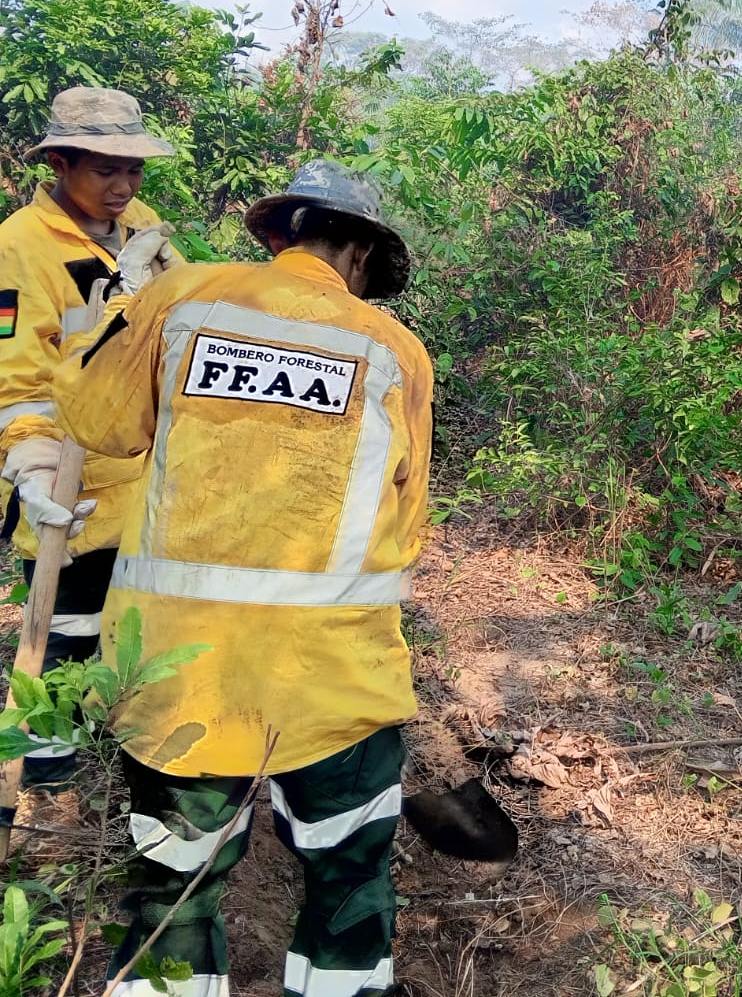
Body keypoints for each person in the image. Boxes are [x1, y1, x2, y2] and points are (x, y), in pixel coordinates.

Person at [53, 160, 432, 997]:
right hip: (336, 685)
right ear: (363, 256)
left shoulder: (185, 300)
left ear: (275, 235)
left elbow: (96, 423)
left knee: (171, 897)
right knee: (348, 888)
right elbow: (405, 533)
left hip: (182, 677)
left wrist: (116, 313)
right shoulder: (397, 350)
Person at [0, 87, 181, 808]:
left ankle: (116, 766)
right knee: (62, 632)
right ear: (61, 162)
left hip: (141, 479)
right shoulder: (19, 246)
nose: (122, 186)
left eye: (133, 170)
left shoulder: (140, 228)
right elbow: (17, 378)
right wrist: (33, 467)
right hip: (66, 484)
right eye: (105, 169)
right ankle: (47, 789)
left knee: (129, 629)